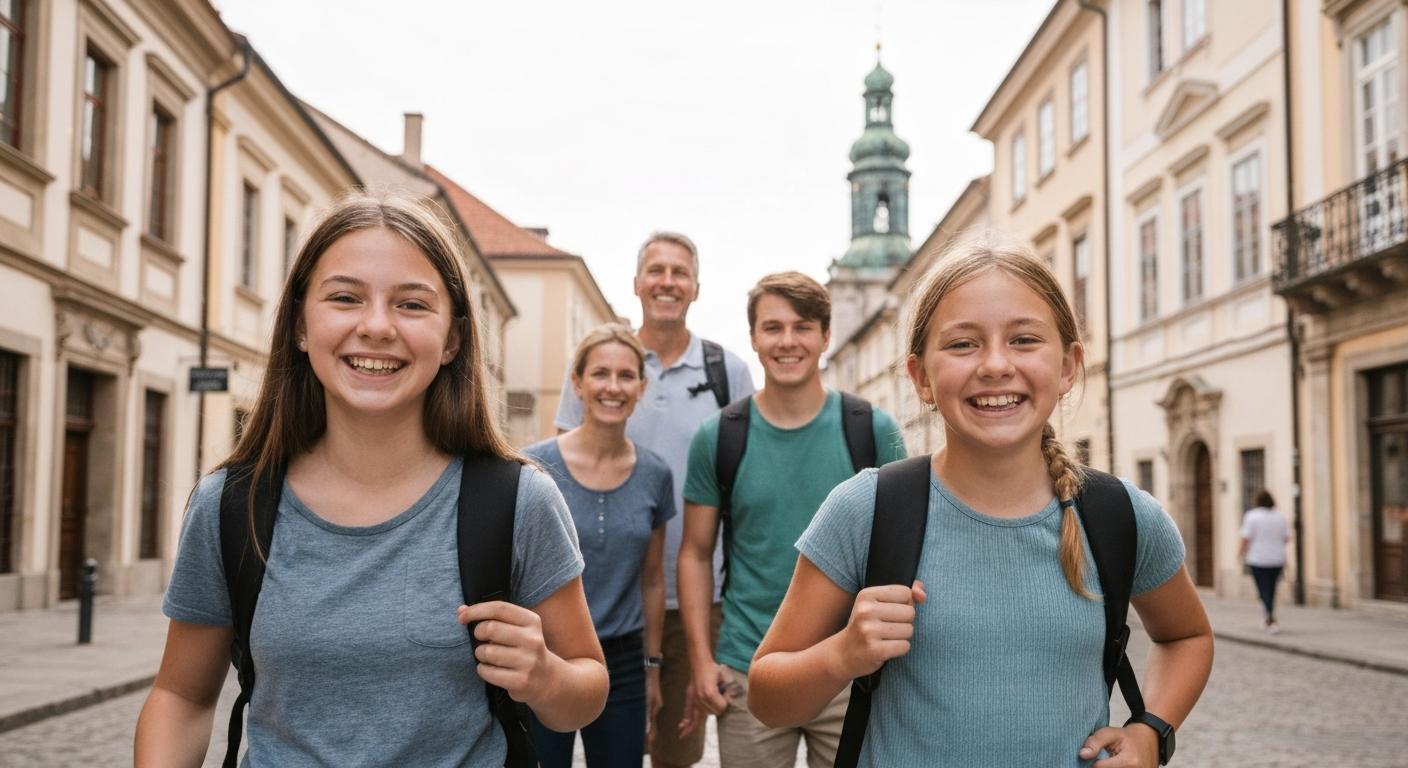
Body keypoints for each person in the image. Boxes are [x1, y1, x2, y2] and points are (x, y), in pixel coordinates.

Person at [134, 193, 609, 767]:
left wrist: (547, 677)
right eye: (345, 297)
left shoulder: (518, 501)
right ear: (300, 325)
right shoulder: (231, 506)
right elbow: (182, 697)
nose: (377, 326)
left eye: (412, 304)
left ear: (452, 339)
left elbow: (587, 687)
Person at [747, 232, 1214, 768]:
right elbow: (766, 697)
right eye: (963, 344)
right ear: (921, 377)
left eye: (1024, 340)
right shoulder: (866, 510)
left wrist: (1151, 731)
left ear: (1067, 366)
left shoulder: (1120, 516)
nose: (994, 364)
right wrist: (842, 653)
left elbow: (1188, 636)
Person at [677, 271, 906, 768]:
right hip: (748, 667)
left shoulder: (873, 430)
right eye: (773, 327)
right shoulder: (719, 437)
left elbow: (905, 552)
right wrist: (701, 661)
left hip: (851, 669)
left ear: (826, 336)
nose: (787, 341)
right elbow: (694, 553)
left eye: (802, 327)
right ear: (754, 338)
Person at [554, 232, 755, 768]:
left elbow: (746, 481)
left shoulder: (728, 372)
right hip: (602, 597)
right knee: (593, 744)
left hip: (697, 600)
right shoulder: (605, 364)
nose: (667, 282)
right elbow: (562, 479)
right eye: (656, 271)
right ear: (637, 283)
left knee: (675, 749)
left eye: (679, 272)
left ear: (696, 287)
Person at [524, 324, 675, 767]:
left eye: (626, 376)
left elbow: (652, 581)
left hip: (622, 665)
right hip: (546, 655)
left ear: (641, 388)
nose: (613, 387)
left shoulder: (655, 474)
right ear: (577, 382)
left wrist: (652, 668)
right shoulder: (534, 466)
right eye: (600, 374)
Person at [1240, 489, 1290, 634]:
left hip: (1257, 558)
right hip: (1276, 559)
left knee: (1262, 589)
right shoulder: (1279, 517)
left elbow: (1246, 538)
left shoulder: (1252, 516)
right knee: (1271, 588)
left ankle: (1269, 615)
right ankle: (1269, 614)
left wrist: (1240, 552)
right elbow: (1286, 538)